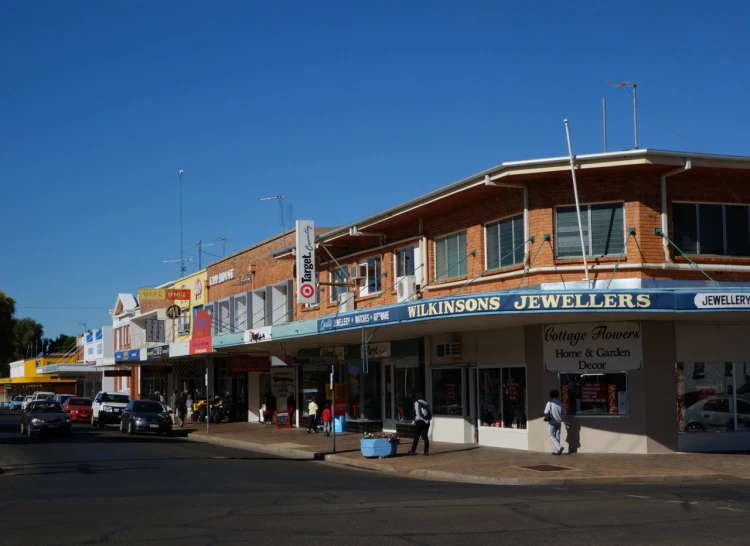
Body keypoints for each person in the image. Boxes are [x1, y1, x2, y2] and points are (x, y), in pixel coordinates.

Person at [544, 389, 565, 455]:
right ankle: (556, 451)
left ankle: (559, 447)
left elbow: (546, 411)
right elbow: (564, 413)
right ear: (557, 395)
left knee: (550, 434)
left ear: (551, 396)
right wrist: (560, 417)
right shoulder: (561, 403)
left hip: (552, 421)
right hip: (559, 421)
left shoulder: (550, 402)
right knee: (557, 435)